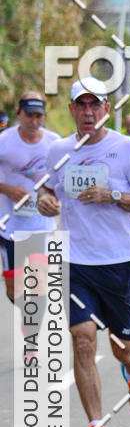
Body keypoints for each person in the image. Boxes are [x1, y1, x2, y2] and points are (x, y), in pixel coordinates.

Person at [38, 77, 130, 427]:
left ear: (106, 110)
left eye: (96, 106)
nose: (88, 113)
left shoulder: (126, 148)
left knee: (123, 346)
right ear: (72, 110)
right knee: (82, 338)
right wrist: (44, 200)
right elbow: (47, 188)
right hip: (76, 261)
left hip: (119, 262)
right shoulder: (58, 150)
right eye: (81, 106)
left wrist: (114, 195)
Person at [0, 91, 60, 331]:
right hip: (9, 226)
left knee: (40, 282)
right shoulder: (4, 141)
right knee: (14, 290)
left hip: (40, 226)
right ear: (18, 114)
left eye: (39, 116)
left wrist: (53, 199)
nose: (34, 122)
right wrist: (7, 189)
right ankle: (28, 311)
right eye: (29, 116)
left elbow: (62, 180)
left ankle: (32, 335)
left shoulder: (54, 143)